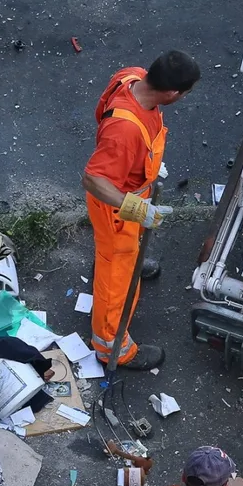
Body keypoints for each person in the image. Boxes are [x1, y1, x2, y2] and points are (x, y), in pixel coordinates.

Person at [80, 50, 201, 371]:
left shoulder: (131, 77)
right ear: (173, 92)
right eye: (185, 93)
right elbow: (93, 179)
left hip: (128, 192)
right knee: (116, 274)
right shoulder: (124, 132)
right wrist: (133, 205)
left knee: (125, 254)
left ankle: (125, 258)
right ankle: (112, 348)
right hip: (116, 207)